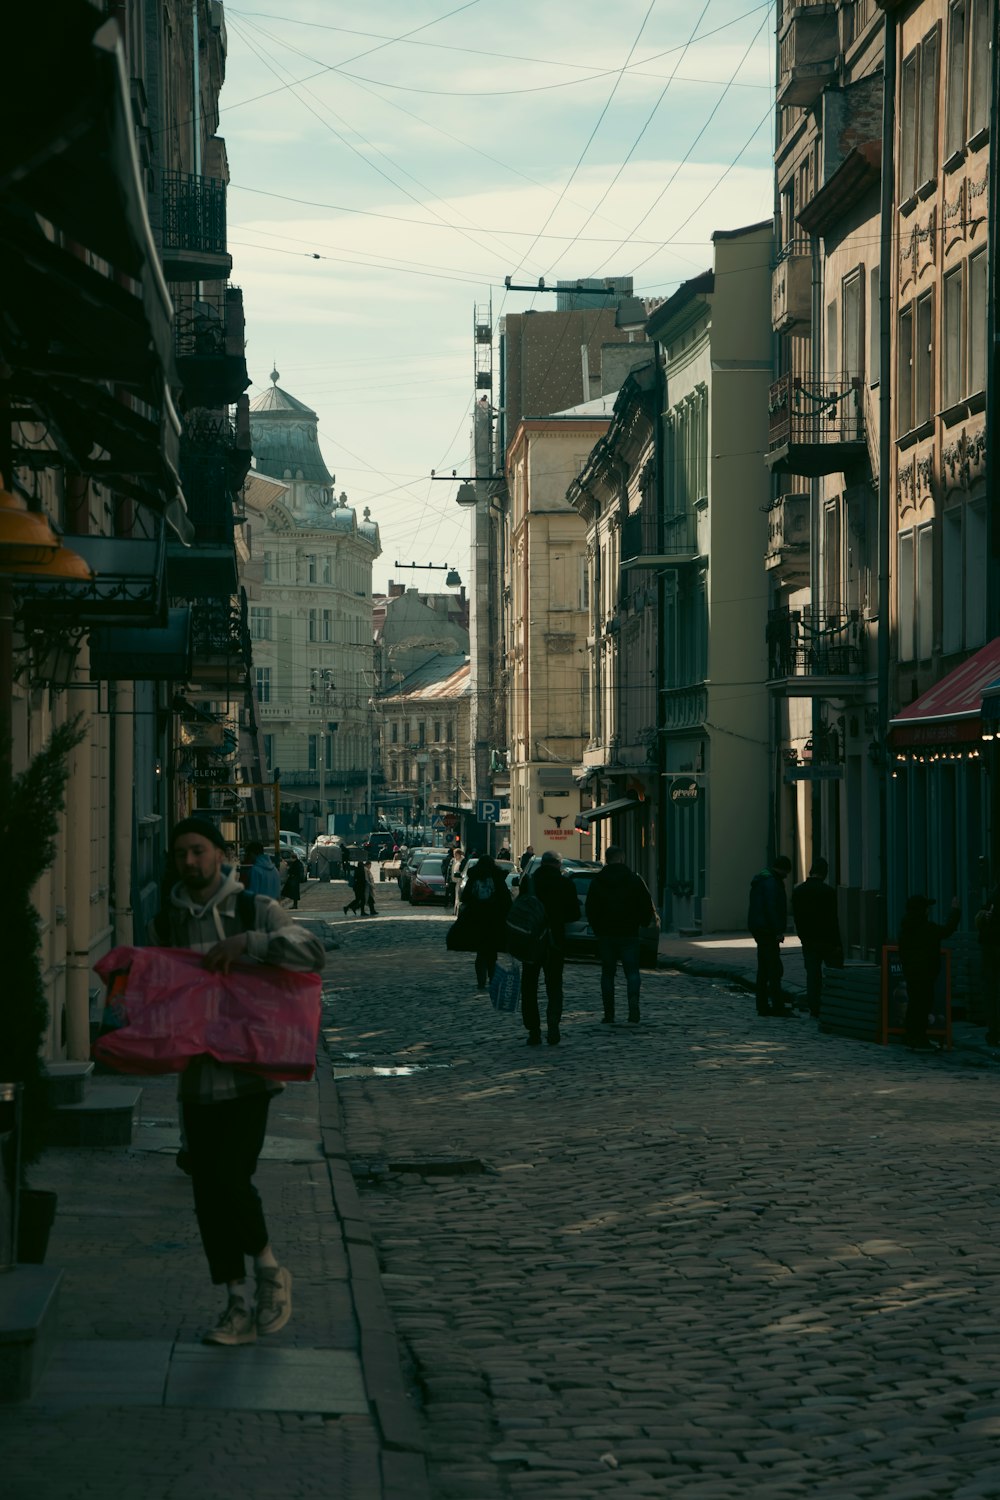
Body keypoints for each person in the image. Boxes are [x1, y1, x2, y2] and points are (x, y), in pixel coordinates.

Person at [157, 818, 325, 1346]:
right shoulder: (168, 916)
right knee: (208, 1193)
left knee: (232, 1179)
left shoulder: (254, 908)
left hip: (251, 1074)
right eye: (181, 853)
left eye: (198, 851)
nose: (190, 862)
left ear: (220, 854)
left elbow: (311, 953)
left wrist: (250, 944)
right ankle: (235, 1302)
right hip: (199, 1076)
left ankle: (270, 1271)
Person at [585, 846, 656, 1024]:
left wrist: (596, 927)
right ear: (622, 858)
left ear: (607, 859)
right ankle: (633, 1004)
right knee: (632, 972)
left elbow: (591, 907)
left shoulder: (598, 880)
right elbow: (645, 904)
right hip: (628, 932)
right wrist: (643, 922)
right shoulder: (633, 879)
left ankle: (609, 1013)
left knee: (607, 974)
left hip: (606, 934)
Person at [519, 852, 580, 1046]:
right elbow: (574, 914)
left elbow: (521, 909)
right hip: (555, 941)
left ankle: (534, 1030)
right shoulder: (565, 883)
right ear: (558, 865)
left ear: (542, 864)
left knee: (529, 986)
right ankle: (553, 1025)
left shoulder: (529, 881)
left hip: (531, 940)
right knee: (554, 985)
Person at [898, 894, 960, 1048]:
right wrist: (955, 911)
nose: (928, 911)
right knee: (923, 1004)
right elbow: (947, 930)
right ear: (922, 910)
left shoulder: (905, 928)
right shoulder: (927, 928)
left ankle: (910, 1035)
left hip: (911, 972)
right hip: (926, 973)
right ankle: (919, 1037)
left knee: (914, 1004)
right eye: (927, 908)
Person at [791, 856, 843, 1018]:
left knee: (813, 976)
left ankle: (815, 1008)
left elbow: (797, 918)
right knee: (834, 973)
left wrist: (802, 937)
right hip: (827, 940)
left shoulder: (799, 891)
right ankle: (834, 1005)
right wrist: (837, 942)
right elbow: (832, 920)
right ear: (825, 873)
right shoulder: (828, 892)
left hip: (809, 940)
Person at [747, 855, 793, 1018]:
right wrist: (777, 931)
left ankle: (763, 1006)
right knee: (773, 970)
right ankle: (777, 1007)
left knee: (764, 969)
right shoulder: (771, 883)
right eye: (786, 872)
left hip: (760, 929)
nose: (787, 876)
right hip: (767, 931)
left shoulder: (762, 879)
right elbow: (772, 908)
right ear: (781, 869)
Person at [459, 852, 512, 989]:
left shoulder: (474, 877)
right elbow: (506, 899)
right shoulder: (497, 877)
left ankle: (481, 981)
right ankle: (492, 978)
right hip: (494, 919)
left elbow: (465, 897)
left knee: (480, 952)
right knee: (491, 952)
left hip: (477, 918)